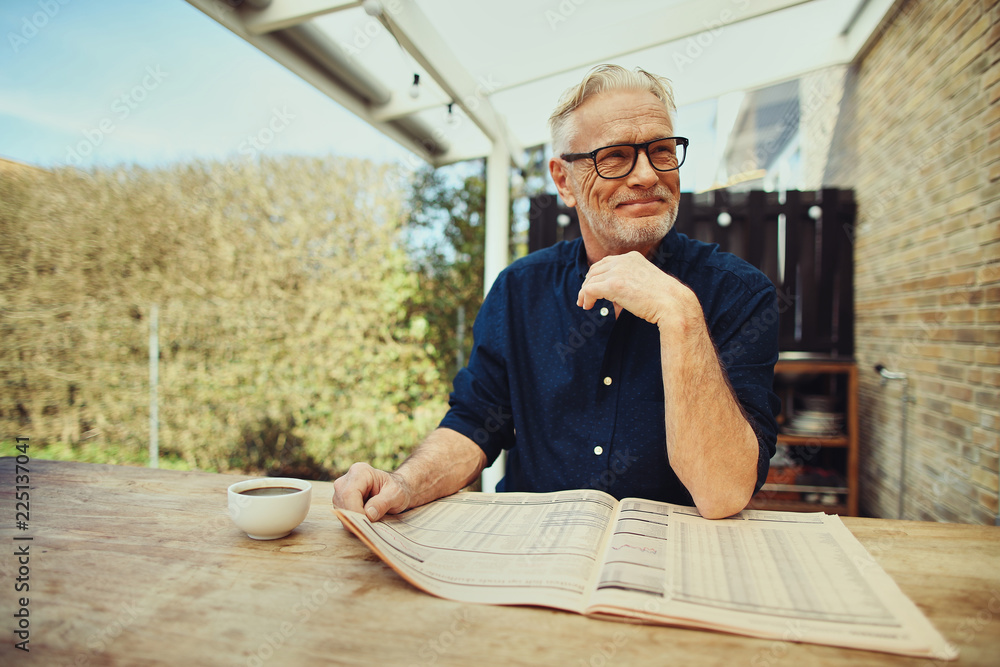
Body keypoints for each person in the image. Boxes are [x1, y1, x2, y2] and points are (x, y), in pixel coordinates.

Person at [333, 64, 780, 520]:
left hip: (668, 569)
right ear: (564, 181)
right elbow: (473, 425)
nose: (647, 174)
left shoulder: (738, 293)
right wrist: (404, 483)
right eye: (616, 156)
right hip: (530, 554)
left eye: (662, 151)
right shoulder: (519, 289)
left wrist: (679, 314)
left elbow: (723, 492)